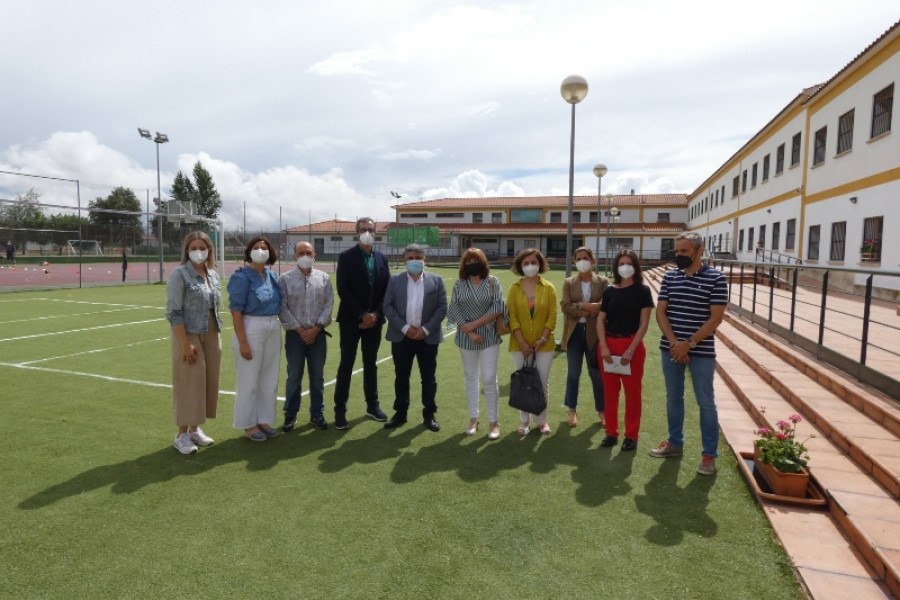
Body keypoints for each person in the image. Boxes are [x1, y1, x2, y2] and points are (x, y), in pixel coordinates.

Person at [649, 232, 727, 475]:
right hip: (671, 348)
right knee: (673, 397)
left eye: (684, 251)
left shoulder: (717, 278)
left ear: (699, 250)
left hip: (701, 351)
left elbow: (716, 318)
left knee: (706, 403)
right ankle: (675, 443)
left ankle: (708, 456)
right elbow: (661, 312)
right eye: (677, 251)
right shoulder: (670, 277)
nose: (679, 255)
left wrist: (689, 343)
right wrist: (675, 342)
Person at [165, 231, 222, 455]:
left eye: (203, 247)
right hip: (188, 332)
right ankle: (181, 435)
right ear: (187, 251)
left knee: (208, 381)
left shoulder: (213, 274)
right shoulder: (179, 275)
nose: (199, 251)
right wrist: (185, 343)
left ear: (209, 249)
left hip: (211, 330)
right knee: (189, 381)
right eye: (194, 247)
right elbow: (174, 312)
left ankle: (194, 429)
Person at [381, 244, 448, 432]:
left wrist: (425, 329)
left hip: (427, 338)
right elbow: (388, 306)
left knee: (428, 378)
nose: (414, 261)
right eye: (410, 258)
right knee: (401, 377)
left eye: (417, 257)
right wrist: (404, 328)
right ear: (404, 261)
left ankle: (429, 414)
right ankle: (400, 413)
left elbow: (442, 307)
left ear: (424, 259)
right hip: (402, 338)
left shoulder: (437, 280)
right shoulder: (395, 281)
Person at [332, 217, 390, 430]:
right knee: (346, 365)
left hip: (375, 321)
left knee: (370, 364)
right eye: (363, 229)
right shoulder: (346, 257)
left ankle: (372, 406)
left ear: (376, 233)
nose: (367, 232)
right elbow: (343, 289)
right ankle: (340, 411)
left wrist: (374, 315)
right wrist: (362, 315)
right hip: (350, 321)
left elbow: (387, 290)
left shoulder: (382, 258)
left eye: (371, 229)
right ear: (356, 233)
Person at [597, 249, 654, 451]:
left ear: (636, 266)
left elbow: (644, 324)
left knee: (632, 393)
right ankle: (611, 432)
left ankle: (631, 435)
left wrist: (630, 350)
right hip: (609, 346)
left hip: (632, 347)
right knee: (610, 393)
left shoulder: (643, 291)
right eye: (621, 263)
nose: (625, 267)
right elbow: (601, 319)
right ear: (616, 267)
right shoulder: (610, 290)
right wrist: (603, 345)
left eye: (629, 263)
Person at [447, 248, 506, 440]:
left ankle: (493, 421)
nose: (472, 263)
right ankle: (474, 418)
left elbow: (498, 306)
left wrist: (475, 324)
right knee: (470, 377)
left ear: (483, 262)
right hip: (466, 338)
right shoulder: (459, 284)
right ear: (464, 264)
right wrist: (469, 331)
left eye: (476, 259)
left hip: (489, 336)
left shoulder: (492, 282)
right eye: (468, 260)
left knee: (489, 378)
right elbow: (454, 307)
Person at [227, 236, 283, 442]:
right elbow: (236, 311)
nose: (261, 251)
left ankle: (263, 419)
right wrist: (243, 342)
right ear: (249, 251)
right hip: (251, 327)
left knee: (269, 378)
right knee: (248, 380)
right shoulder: (241, 277)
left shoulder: (271, 275)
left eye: (264, 248)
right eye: (256, 247)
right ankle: (248, 423)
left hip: (272, 326)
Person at [277, 241, 334, 432]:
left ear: (314, 255)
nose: (305, 255)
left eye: (308, 252)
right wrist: (301, 331)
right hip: (295, 336)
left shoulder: (324, 278)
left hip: (318, 335)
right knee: (294, 376)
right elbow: (282, 308)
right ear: (294, 256)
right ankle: (290, 415)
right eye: (301, 252)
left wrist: (316, 329)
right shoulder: (284, 279)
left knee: (317, 377)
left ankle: (317, 414)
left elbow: (329, 305)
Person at [507, 248, 557, 435]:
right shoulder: (514, 288)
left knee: (541, 383)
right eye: (526, 263)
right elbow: (512, 317)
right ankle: (524, 422)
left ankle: (541, 421)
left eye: (533, 262)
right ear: (520, 266)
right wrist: (521, 342)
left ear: (540, 264)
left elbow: (552, 317)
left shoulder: (549, 288)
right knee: (523, 382)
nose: (530, 266)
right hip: (518, 346)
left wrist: (542, 339)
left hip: (544, 345)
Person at [560, 247, 608, 427]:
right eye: (578, 258)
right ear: (574, 262)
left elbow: (605, 306)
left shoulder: (603, 282)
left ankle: (602, 411)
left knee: (596, 374)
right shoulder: (569, 282)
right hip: (574, 334)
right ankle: (571, 410)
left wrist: (579, 306)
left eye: (585, 258)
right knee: (573, 373)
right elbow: (565, 306)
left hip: (595, 334)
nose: (582, 261)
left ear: (593, 261)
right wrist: (589, 309)